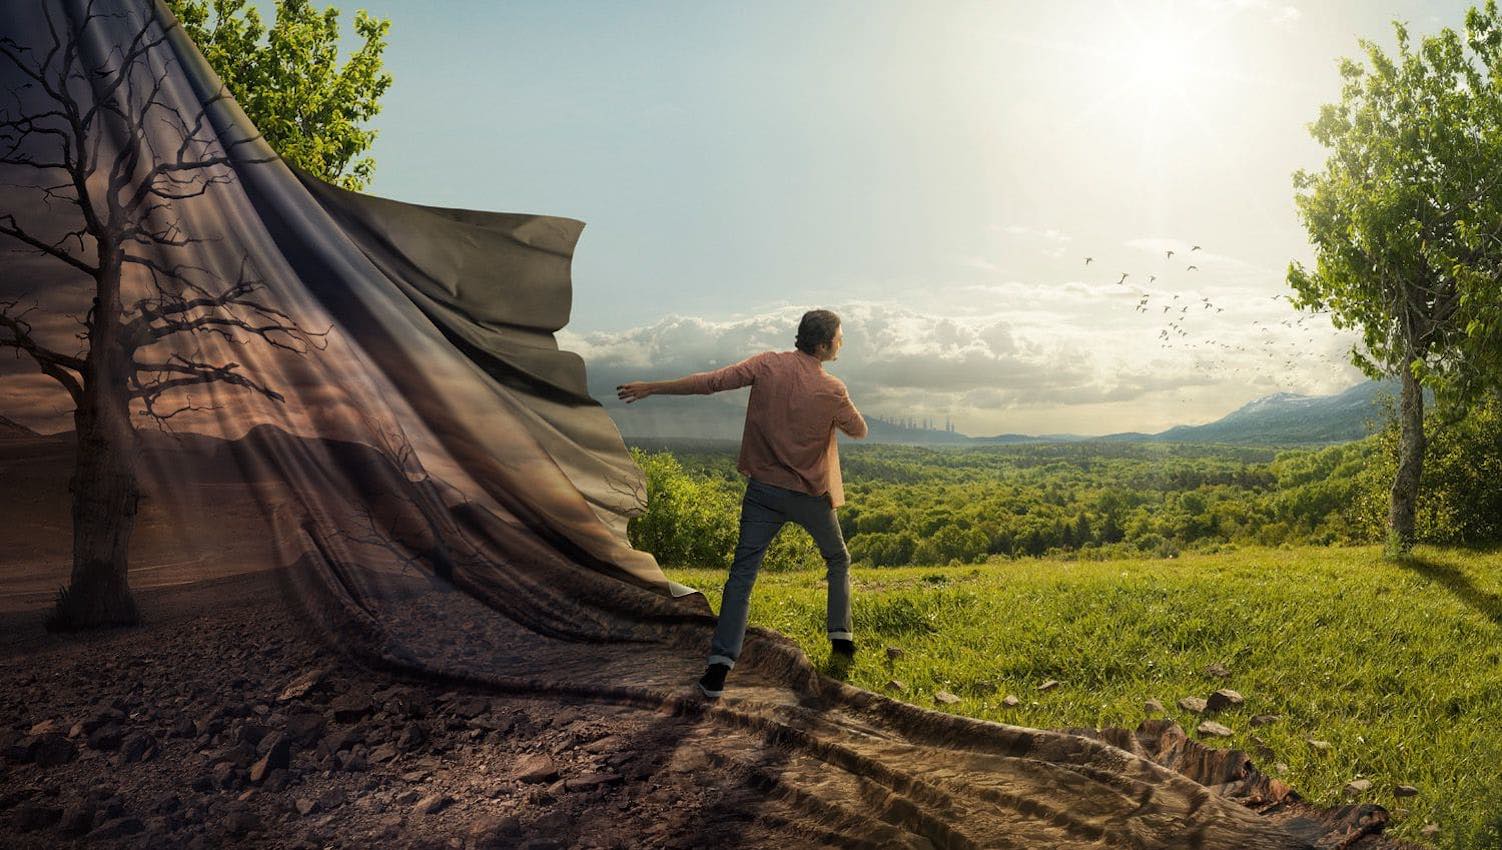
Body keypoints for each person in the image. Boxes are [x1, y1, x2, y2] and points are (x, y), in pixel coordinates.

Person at [615, 309, 868, 698]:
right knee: (837, 559)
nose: (842, 342)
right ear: (822, 345)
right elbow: (860, 430)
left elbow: (711, 382)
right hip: (810, 498)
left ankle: (719, 667)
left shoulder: (766, 364)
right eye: (839, 336)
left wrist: (653, 387)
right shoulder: (832, 388)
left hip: (763, 493)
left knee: (741, 577)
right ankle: (841, 637)